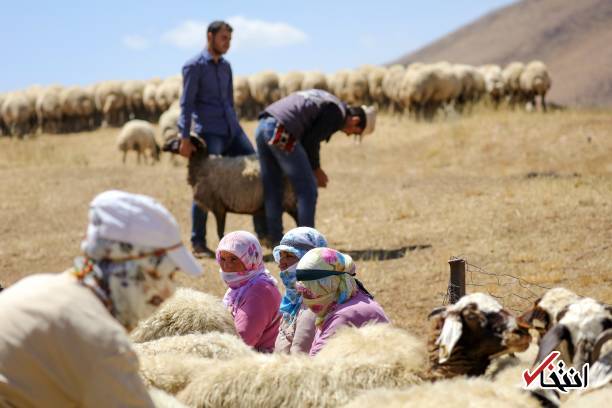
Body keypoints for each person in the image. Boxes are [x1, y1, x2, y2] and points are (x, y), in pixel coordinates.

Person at [0, 190, 203, 407]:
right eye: (165, 274)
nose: (168, 292)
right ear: (133, 265)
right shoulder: (101, 340)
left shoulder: (33, 286)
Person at [178, 20, 265, 256]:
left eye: (230, 39)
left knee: (258, 170)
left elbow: (228, 100)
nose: (227, 43)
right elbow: (186, 104)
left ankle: (263, 233)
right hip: (208, 133)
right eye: (224, 38)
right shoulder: (193, 66)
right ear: (210, 37)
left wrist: (236, 126)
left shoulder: (226, 66)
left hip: (232, 131)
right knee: (206, 185)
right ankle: (198, 242)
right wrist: (184, 137)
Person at [255, 89, 377, 245]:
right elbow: (310, 141)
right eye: (354, 132)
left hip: (263, 124)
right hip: (281, 131)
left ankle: (275, 239)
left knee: (272, 186)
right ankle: (306, 245)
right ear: (354, 120)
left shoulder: (330, 101)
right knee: (308, 189)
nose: (348, 135)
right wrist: (316, 170)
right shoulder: (336, 113)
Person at [295, 247, 389, 356]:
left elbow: (317, 365)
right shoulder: (351, 298)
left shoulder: (345, 314)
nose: (305, 297)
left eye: (311, 290)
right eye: (302, 290)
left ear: (332, 284)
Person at [216, 230, 282, 352]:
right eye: (223, 259)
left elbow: (241, 341)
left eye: (234, 259)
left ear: (250, 258)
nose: (226, 266)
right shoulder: (241, 285)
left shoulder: (259, 292)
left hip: (257, 363)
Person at [273, 227, 328, 354]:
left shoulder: (315, 303)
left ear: (310, 259)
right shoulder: (292, 299)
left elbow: (300, 354)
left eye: (289, 256)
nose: (281, 263)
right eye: (280, 256)